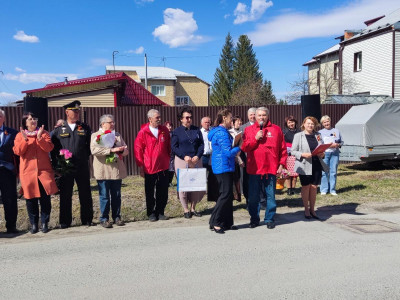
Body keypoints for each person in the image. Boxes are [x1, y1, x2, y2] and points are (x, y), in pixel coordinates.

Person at [241, 107, 287, 229]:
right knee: (253, 196)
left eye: (264, 115)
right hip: (255, 169)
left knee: (270, 195)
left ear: (268, 116)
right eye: (259, 115)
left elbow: (283, 149)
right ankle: (254, 219)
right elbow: (245, 147)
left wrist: (281, 165)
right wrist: (255, 138)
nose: (261, 117)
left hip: (271, 168)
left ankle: (269, 218)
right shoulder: (248, 130)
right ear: (255, 117)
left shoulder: (276, 129)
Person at [51, 100, 94, 228]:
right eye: (74, 111)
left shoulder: (85, 128)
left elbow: (89, 146)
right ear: (67, 112)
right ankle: (64, 221)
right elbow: (53, 149)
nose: (77, 113)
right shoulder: (59, 130)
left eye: (78, 111)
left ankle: (87, 219)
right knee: (65, 194)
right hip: (66, 167)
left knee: (85, 193)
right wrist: (57, 164)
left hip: (81, 165)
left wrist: (83, 156)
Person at [13, 113, 58, 233]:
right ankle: (34, 224)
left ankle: (44, 223)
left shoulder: (44, 133)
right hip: (28, 173)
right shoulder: (19, 135)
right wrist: (24, 140)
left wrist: (39, 138)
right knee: (30, 199)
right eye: (30, 119)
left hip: (43, 172)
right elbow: (18, 151)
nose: (33, 121)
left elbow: (49, 148)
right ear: (25, 123)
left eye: (34, 118)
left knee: (45, 199)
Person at [91, 114, 128, 228]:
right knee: (104, 196)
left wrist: (121, 150)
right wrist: (111, 150)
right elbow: (94, 150)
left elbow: (126, 150)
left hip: (116, 170)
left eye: (113, 122)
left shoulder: (117, 135)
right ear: (103, 124)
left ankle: (117, 217)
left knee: (116, 195)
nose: (113, 124)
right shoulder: (96, 135)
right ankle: (104, 218)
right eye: (110, 122)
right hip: (103, 170)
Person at [208, 109, 241, 234]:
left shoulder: (221, 131)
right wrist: (239, 147)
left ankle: (224, 222)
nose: (232, 120)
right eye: (230, 118)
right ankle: (217, 222)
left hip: (224, 166)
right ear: (224, 118)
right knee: (225, 194)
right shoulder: (221, 133)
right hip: (223, 166)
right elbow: (228, 152)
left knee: (226, 195)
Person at [134, 109, 171, 222]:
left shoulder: (164, 130)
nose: (159, 119)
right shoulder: (143, 132)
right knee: (150, 192)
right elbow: (138, 149)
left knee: (163, 191)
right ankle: (151, 213)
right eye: (157, 117)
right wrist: (140, 166)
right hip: (149, 168)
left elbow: (168, 145)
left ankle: (160, 212)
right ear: (150, 119)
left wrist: (168, 158)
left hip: (163, 166)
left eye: (159, 117)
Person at [291, 116, 329, 219]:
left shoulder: (318, 135)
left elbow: (321, 148)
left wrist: (322, 154)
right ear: (304, 124)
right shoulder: (299, 135)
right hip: (304, 164)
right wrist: (303, 154)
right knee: (306, 186)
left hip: (316, 163)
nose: (310, 125)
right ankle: (306, 209)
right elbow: (293, 151)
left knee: (314, 187)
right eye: (308, 123)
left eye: (312, 124)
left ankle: (312, 209)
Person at [171, 106, 205, 218]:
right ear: (181, 119)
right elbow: (174, 147)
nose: (189, 119)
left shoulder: (197, 130)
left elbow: (201, 144)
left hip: (196, 160)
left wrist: (198, 155)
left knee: (196, 185)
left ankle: (193, 208)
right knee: (184, 185)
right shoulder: (176, 132)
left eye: (190, 117)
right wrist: (183, 156)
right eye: (186, 117)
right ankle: (186, 209)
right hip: (182, 160)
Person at [0, 109, 19, 234]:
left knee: (10, 199)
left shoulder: (12, 133)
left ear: (4, 118)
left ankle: (11, 226)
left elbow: (17, 153)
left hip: (7, 171)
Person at [319, 115, 343, 196]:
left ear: (330, 121)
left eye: (327, 121)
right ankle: (324, 189)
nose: (326, 123)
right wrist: (328, 146)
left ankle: (332, 190)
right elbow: (318, 143)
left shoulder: (336, 131)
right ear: (322, 124)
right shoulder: (320, 132)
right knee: (324, 172)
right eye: (324, 122)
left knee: (333, 172)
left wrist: (338, 144)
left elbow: (341, 142)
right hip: (325, 154)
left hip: (335, 154)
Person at [239, 108, 257, 204]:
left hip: (258, 159)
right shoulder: (242, 128)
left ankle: (259, 199)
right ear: (248, 116)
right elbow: (240, 145)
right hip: (246, 158)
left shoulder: (261, 126)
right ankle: (248, 199)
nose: (253, 116)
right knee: (246, 180)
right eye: (251, 115)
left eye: (254, 114)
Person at [200, 116, 219, 202]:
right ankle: (201, 194)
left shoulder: (213, 131)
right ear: (201, 123)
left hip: (212, 156)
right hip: (203, 157)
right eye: (205, 122)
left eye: (209, 122)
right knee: (202, 176)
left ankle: (213, 196)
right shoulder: (199, 132)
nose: (207, 124)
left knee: (213, 177)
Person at [283, 115, 301, 195]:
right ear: (286, 123)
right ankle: (289, 189)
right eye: (289, 122)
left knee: (295, 174)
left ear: (295, 122)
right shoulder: (284, 132)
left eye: (292, 122)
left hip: (296, 155)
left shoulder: (299, 131)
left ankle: (293, 188)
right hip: (287, 155)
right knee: (287, 173)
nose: (291, 124)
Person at [229, 115, 244, 202]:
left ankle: (238, 195)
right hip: (233, 157)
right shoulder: (230, 132)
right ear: (233, 123)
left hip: (240, 155)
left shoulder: (242, 132)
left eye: (241, 121)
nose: (240, 123)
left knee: (238, 177)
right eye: (238, 121)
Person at [164, 121, 175, 186]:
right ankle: (166, 181)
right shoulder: (163, 134)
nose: (169, 127)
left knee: (172, 168)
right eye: (168, 126)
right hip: (165, 153)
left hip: (173, 153)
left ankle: (170, 181)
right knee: (166, 167)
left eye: (170, 126)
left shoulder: (174, 134)